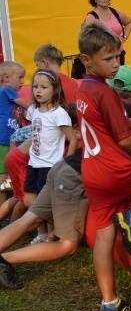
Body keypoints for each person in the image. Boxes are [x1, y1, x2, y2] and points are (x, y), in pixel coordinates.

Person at [75, 24, 131, 311]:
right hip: (115, 170)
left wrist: (130, 122)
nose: (116, 65)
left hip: (92, 172)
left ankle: (109, 302)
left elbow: (99, 125)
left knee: (104, 234)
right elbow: (124, 142)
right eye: (108, 59)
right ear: (86, 59)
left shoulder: (84, 88)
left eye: (117, 57)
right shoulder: (107, 93)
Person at [0, 145, 87, 290]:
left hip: (62, 166)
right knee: (68, 245)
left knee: (29, 219)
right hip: (73, 174)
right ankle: (5, 259)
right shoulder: (125, 135)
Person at [24, 70, 76, 215]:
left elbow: (72, 139)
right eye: (35, 87)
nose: (38, 90)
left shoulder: (58, 113)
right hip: (33, 162)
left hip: (49, 164)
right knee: (29, 199)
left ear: (55, 89)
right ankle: (41, 232)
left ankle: (50, 230)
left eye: (43, 87)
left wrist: (66, 164)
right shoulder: (33, 109)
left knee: (45, 201)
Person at [72, 0, 131, 78]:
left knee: (118, 82)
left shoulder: (115, 12)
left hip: (118, 55)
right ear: (95, 0)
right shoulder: (91, 17)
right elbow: (86, 39)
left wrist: (123, 38)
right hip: (103, 59)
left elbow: (129, 22)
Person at [0, 61, 28, 195]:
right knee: (4, 175)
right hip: (4, 138)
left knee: (6, 173)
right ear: (6, 78)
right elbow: (25, 104)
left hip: (8, 137)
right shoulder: (7, 90)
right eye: (19, 77)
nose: (22, 81)